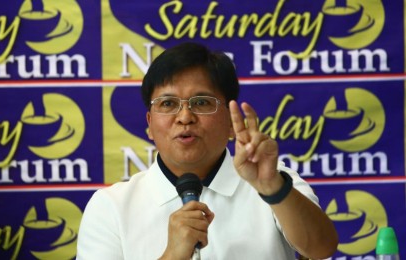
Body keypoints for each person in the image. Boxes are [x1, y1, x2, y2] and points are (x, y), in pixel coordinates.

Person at [76, 42, 339, 259]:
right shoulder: (111, 206)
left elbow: (322, 249)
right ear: (150, 126)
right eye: (168, 103)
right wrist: (172, 255)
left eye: (201, 102)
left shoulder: (276, 183)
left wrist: (273, 188)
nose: (185, 117)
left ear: (230, 122)